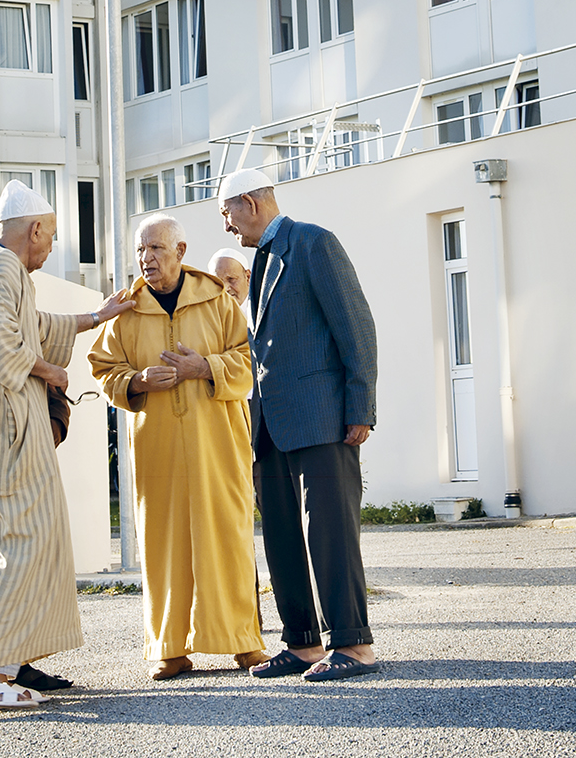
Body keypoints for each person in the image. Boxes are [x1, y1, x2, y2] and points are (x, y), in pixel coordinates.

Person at [0, 181, 135, 709]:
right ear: (35, 229)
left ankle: (0, 660)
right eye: (52, 236)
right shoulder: (3, 269)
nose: (50, 248)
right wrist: (52, 372)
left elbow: (30, 325)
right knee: (27, 537)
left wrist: (96, 316)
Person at [88, 213, 268, 680]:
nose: (146, 259)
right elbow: (104, 368)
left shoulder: (217, 299)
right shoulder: (126, 309)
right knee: (162, 541)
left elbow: (250, 360)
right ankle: (168, 647)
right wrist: (137, 380)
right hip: (157, 446)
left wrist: (204, 367)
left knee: (227, 536)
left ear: (181, 252)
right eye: (140, 251)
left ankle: (242, 640)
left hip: (217, 443)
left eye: (156, 250)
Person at [219, 166, 381, 682]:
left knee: (329, 533)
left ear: (250, 201)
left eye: (227, 213)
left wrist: (361, 408)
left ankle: (354, 645)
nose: (226, 226)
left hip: (322, 418)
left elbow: (357, 328)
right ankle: (303, 643)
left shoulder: (313, 243)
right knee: (282, 537)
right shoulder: (261, 260)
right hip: (271, 425)